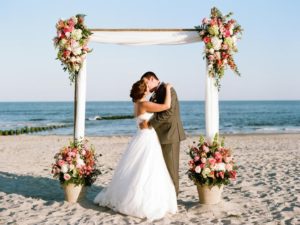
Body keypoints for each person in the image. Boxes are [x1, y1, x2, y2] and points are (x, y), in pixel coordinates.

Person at [94, 79, 177, 221]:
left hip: (141, 136)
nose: (148, 89)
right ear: (143, 91)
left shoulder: (137, 104)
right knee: (147, 169)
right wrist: (168, 88)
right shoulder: (144, 104)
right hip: (147, 138)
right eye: (146, 88)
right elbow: (166, 106)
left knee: (139, 169)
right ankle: (141, 202)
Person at [139, 71, 186, 197]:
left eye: (146, 83)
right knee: (163, 169)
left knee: (171, 170)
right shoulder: (156, 93)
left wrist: (150, 125)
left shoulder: (168, 90)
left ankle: (173, 199)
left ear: (152, 79)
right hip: (160, 135)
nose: (145, 86)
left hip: (170, 135)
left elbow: (167, 113)